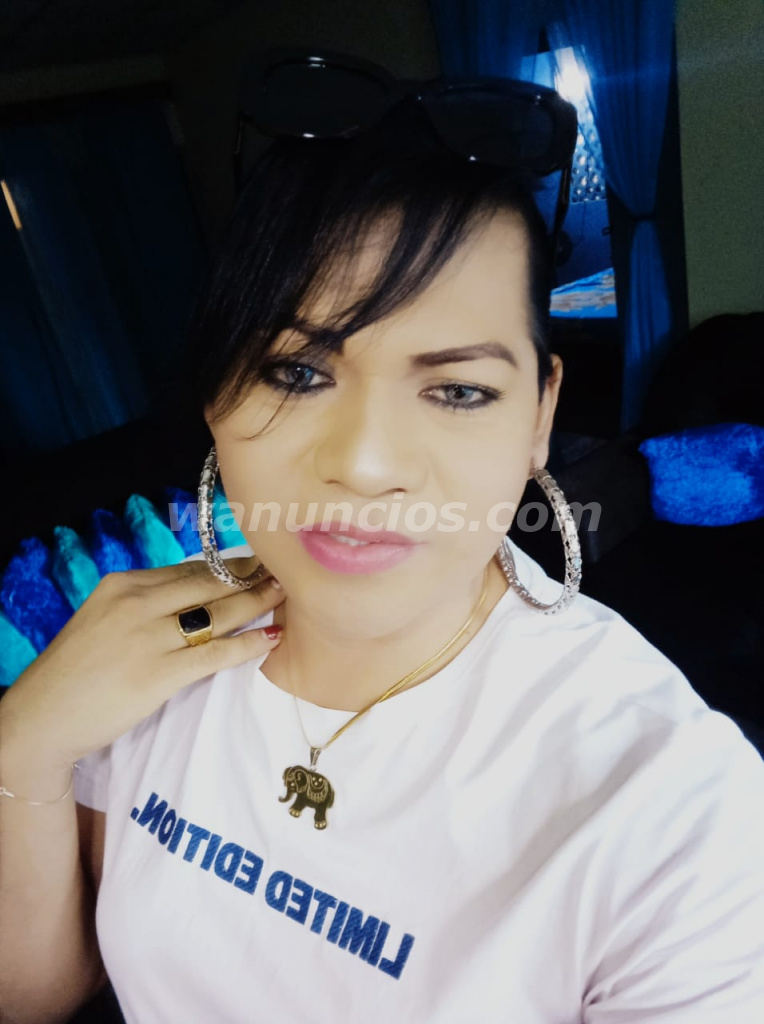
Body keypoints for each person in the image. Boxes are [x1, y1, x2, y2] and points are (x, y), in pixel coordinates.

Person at [1, 61, 763, 1024]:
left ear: (539, 415)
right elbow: (37, 993)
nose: (363, 465)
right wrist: (23, 744)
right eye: (295, 373)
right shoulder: (133, 655)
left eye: (457, 390)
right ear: (215, 395)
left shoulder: (678, 811)